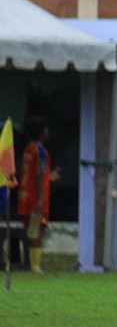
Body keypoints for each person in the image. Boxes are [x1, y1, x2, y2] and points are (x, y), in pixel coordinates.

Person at [17, 116, 59, 272]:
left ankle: (29, 263)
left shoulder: (28, 148)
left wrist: (51, 176)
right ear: (42, 132)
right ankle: (35, 266)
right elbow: (39, 174)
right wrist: (41, 198)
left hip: (26, 195)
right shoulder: (40, 150)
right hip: (37, 196)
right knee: (38, 229)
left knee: (30, 229)